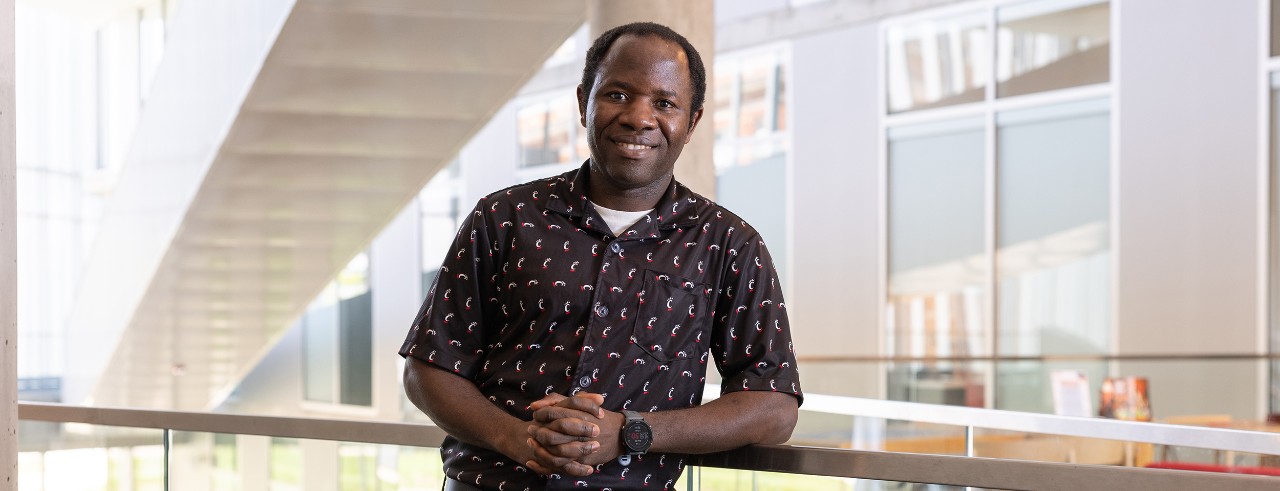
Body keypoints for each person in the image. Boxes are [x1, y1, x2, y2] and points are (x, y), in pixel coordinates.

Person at [400, 21, 802, 491]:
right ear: (582, 102)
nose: (638, 118)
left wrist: (631, 432)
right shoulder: (503, 217)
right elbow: (428, 368)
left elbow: (774, 406)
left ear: (692, 123)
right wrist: (518, 439)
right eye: (617, 94)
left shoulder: (729, 244)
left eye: (665, 103)